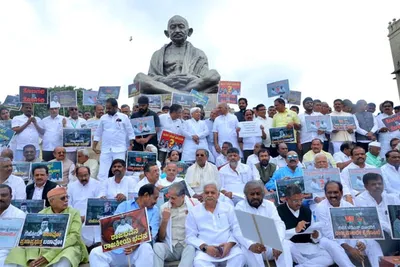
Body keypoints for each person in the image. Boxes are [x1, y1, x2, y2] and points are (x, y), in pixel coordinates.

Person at [133, 15, 220, 94]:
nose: (177, 30)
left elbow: (203, 77)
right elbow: (152, 76)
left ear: (189, 32)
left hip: (191, 84)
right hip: (164, 84)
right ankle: (181, 93)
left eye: (181, 27)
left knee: (214, 74)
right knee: (139, 78)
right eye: (173, 27)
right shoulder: (157, 54)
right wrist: (165, 80)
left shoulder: (198, 53)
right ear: (167, 33)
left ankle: (175, 92)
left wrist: (190, 78)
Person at [8, 187, 89, 267]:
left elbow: (74, 236)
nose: (66, 200)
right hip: (42, 249)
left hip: (66, 248)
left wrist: (48, 256)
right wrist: (32, 259)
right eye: (62, 198)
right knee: (15, 252)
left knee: (67, 257)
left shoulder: (74, 213)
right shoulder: (41, 213)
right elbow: (32, 239)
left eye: (67, 197)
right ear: (52, 201)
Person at [315, 181, 383, 266]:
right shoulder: (320, 207)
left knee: (372, 243)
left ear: (341, 193)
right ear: (325, 194)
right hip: (329, 239)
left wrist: (361, 242)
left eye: (335, 192)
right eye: (329, 193)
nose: (332, 195)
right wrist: (349, 248)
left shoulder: (349, 206)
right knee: (333, 245)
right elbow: (328, 232)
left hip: (347, 236)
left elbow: (357, 227)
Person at [89, 184, 160, 267]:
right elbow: (113, 228)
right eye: (155, 198)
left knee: (146, 248)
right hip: (118, 249)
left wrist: (135, 244)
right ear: (146, 195)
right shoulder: (124, 205)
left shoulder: (154, 210)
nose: (156, 201)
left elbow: (152, 234)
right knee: (95, 252)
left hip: (137, 252)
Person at [185, 182, 245, 267]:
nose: (210, 195)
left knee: (240, 256)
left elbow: (236, 228)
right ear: (202, 195)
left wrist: (230, 244)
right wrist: (205, 248)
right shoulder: (194, 212)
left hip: (228, 249)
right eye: (207, 193)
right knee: (199, 263)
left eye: (212, 192)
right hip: (206, 252)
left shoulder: (228, 208)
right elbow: (190, 236)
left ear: (218, 195)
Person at [235, 181, 293, 267]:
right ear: (246, 195)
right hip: (253, 247)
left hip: (270, 245)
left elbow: (279, 224)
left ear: (262, 194)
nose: (255, 197)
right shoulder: (240, 207)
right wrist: (251, 245)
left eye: (258, 194)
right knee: (246, 248)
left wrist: (277, 243)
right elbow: (237, 229)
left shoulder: (270, 205)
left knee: (284, 244)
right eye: (252, 194)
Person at [277, 184, 335, 267]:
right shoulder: (278, 211)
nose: (299, 203)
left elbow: (314, 232)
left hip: (307, 246)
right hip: (291, 247)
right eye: (295, 201)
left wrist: (315, 236)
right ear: (287, 199)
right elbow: (278, 237)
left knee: (329, 258)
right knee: (286, 245)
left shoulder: (307, 211)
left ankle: (303, 265)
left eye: (301, 200)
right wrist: (295, 230)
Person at [154, 182, 199, 267]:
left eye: (173, 198)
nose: (170, 201)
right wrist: (164, 220)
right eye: (169, 197)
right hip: (170, 247)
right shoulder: (164, 208)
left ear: (182, 196)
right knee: (157, 247)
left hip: (186, 246)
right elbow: (161, 238)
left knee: (191, 248)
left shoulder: (195, 205)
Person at [355, 173, 400, 255]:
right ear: (366, 187)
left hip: (394, 232)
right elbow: (372, 221)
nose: (377, 186)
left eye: (380, 183)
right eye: (373, 184)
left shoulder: (392, 198)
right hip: (375, 233)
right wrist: (391, 231)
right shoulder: (360, 200)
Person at [93, 98, 135, 181]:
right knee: (102, 173)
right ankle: (102, 192)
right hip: (106, 149)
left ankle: (120, 191)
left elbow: (130, 132)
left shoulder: (124, 117)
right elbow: (98, 133)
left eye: (109, 108)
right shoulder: (103, 118)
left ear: (116, 107)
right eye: (106, 108)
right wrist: (94, 146)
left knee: (120, 171)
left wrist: (131, 145)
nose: (107, 110)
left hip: (120, 149)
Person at [68, 166, 104, 249]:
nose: (84, 178)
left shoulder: (97, 184)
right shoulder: (71, 186)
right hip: (78, 217)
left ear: (89, 174)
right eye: (81, 176)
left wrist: (88, 216)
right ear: (76, 176)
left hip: (93, 216)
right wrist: (77, 217)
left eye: (86, 175)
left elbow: (99, 200)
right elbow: (69, 204)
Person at [0, 184, 26, 267]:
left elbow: (17, 240)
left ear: (11, 197)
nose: (0, 198)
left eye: (3, 195)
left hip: (9, 250)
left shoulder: (18, 214)